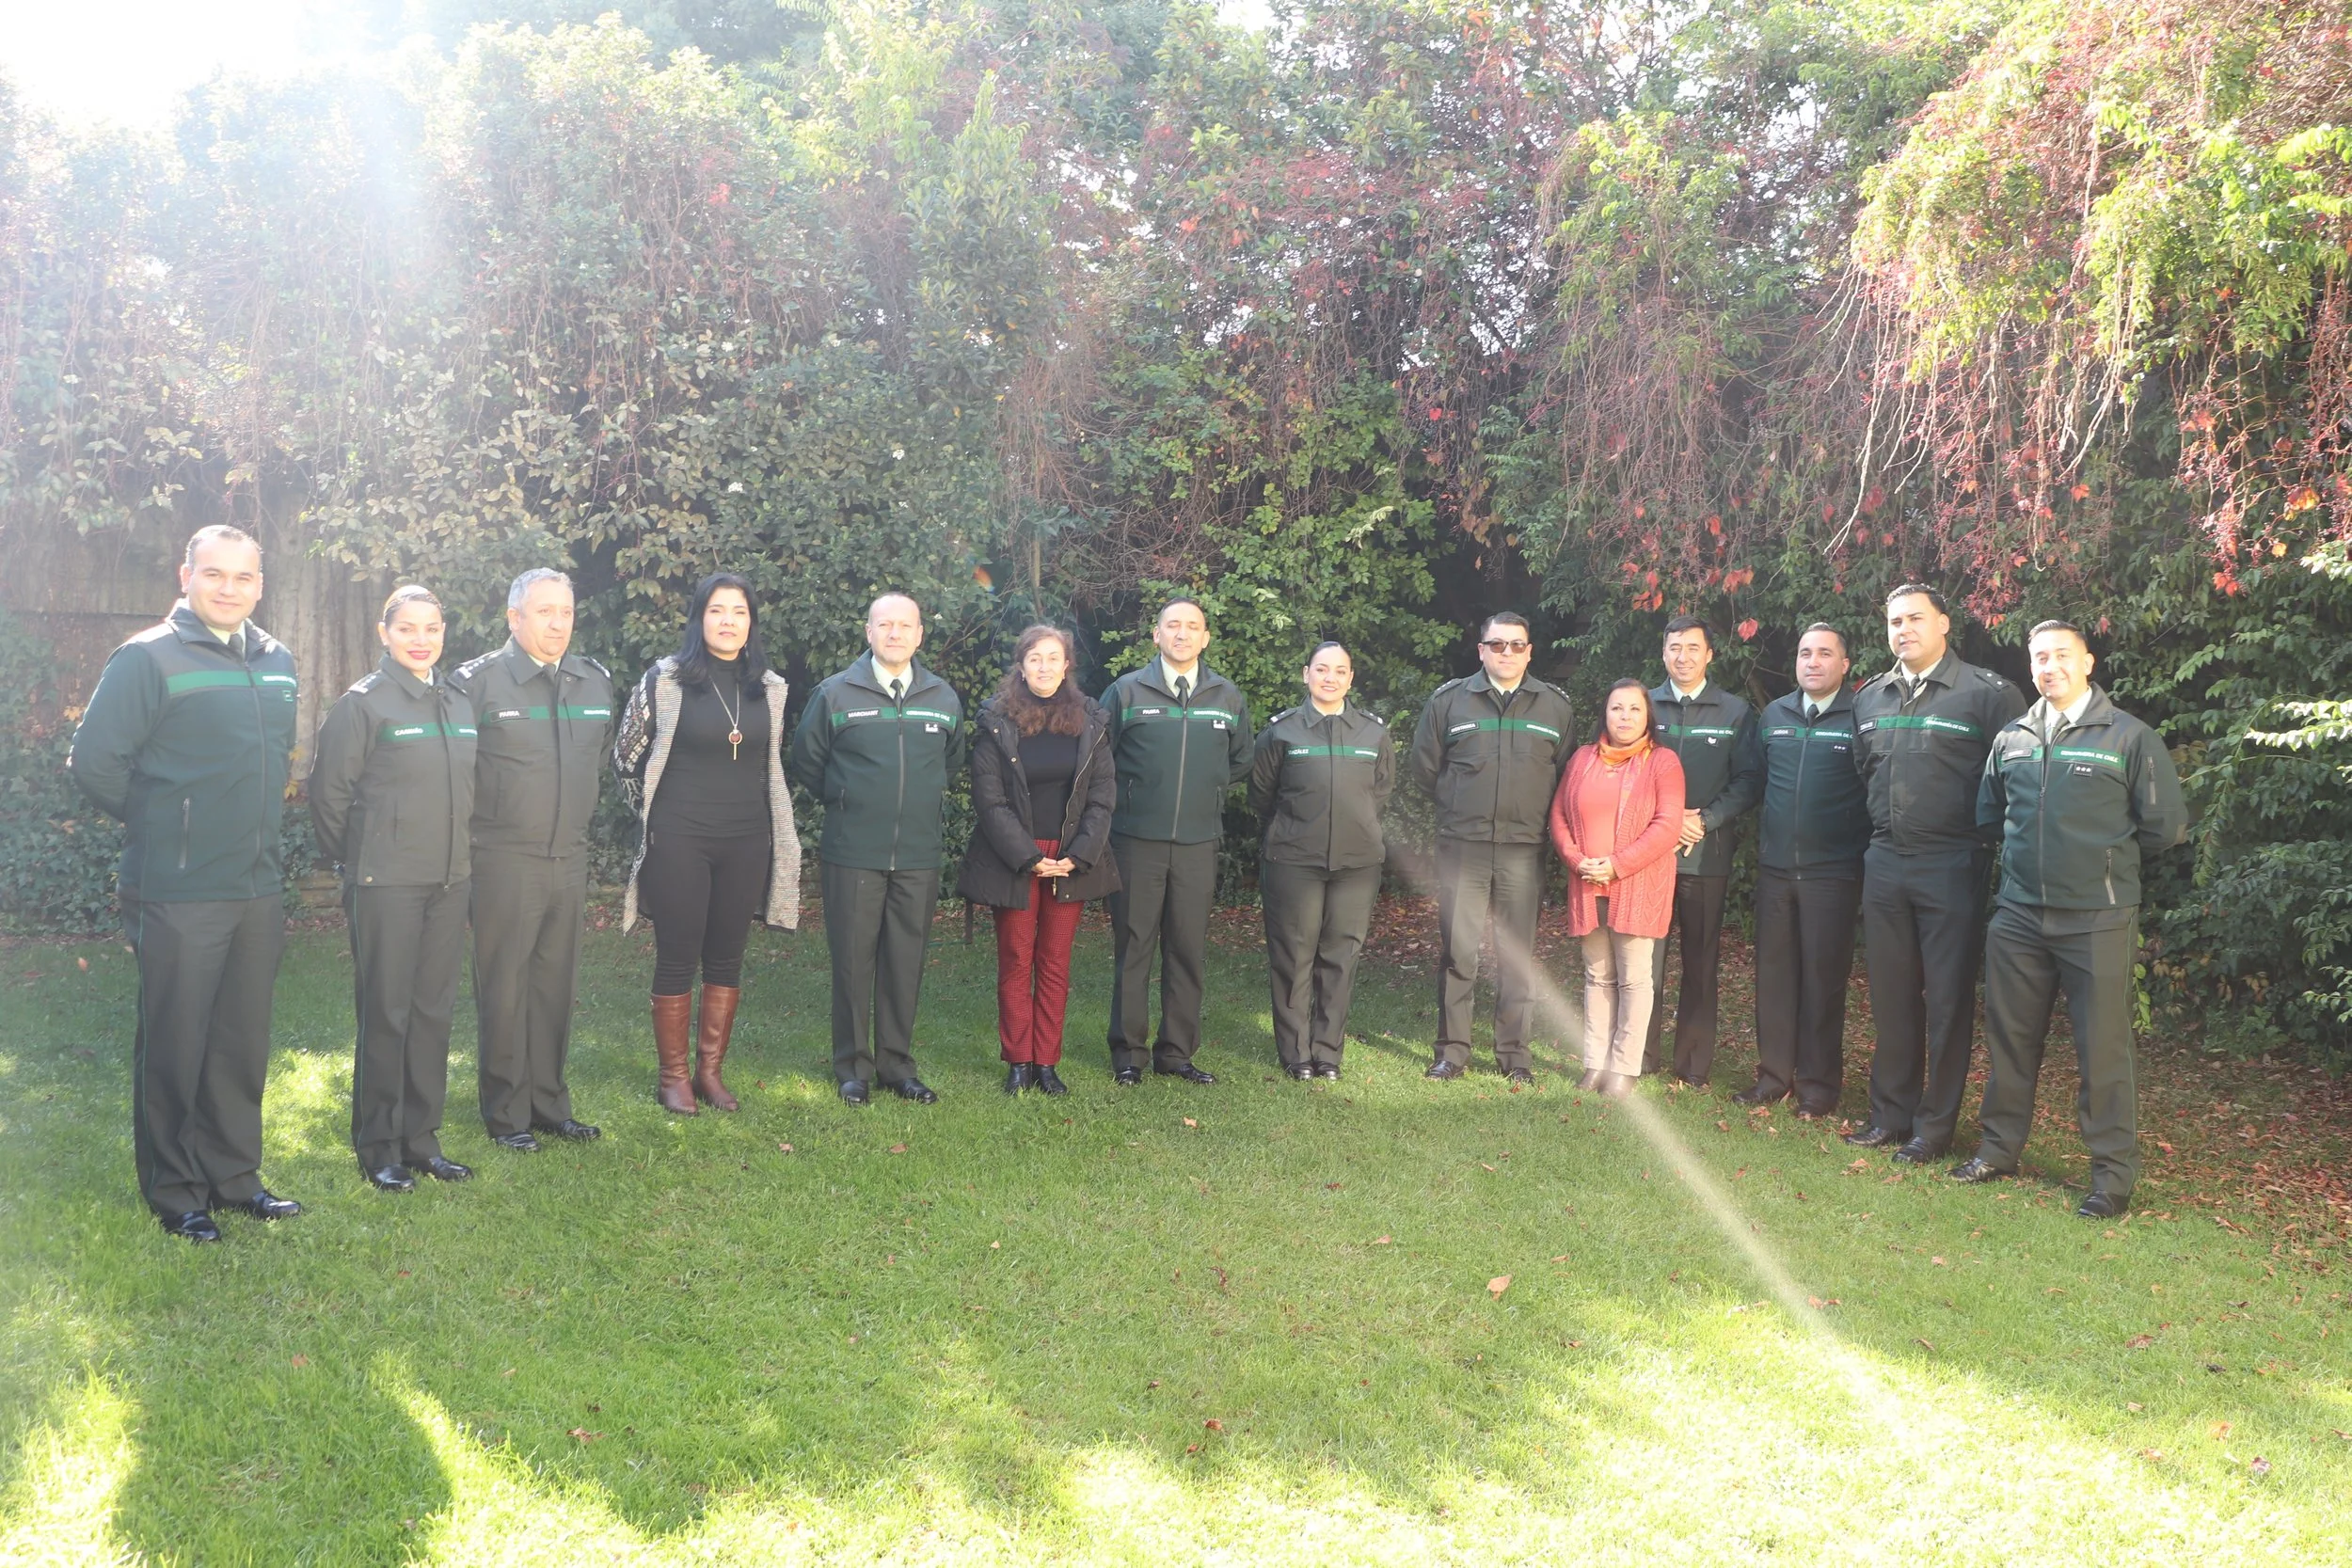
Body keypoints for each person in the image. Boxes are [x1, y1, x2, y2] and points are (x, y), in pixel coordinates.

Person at [67, 524, 304, 1242]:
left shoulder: (278, 659)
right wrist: (170, 827)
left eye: (243, 577)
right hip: (177, 888)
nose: (229, 588)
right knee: (175, 1042)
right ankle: (176, 1192)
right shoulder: (147, 658)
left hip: (256, 886)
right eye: (214, 574)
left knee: (240, 1040)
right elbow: (94, 763)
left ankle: (234, 1177)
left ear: (260, 584)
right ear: (186, 576)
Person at [1950, 621, 2186, 1217]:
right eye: (2038, 658)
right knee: (2009, 1040)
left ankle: (2110, 1178)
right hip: (2019, 916)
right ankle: (1998, 1150)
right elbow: (1990, 815)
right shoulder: (2013, 737)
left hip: (2098, 918)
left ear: (2088, 662)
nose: (2049, 666)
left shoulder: (2129, 737)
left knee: (2103, 1050)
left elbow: (2164, 830)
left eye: (2061, 655)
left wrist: (2098, 866)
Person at [1844, 583, 2028, 1164]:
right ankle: (1890, 1115)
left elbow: (2014, 779)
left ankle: (1935, 1127)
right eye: (1895, 621)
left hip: (1952, 862)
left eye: (1916, 619)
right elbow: (1862, 771)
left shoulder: (1987, 694)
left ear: (1944, 624)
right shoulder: (1870, 697)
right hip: (1884, 859)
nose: (1905, 630)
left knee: (1947, 1000)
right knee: (1892, 995)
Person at [309, 585, 478, 1190]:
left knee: (432, 1013)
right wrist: (363, 860)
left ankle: (421, 1139)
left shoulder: (457, 699)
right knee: (387, 1011)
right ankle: (379, 1145)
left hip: (449, 880)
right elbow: (328, 797)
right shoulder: (365, 704)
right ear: (385, 633)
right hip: (386, 884)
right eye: (408, 628)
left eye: (431, 628)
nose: (420, 639)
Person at [615, 573, 801, 1114]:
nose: (728, 621)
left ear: (751, 622)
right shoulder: (666, 679)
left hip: (746, 839)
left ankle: (711, 1074)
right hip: (679, 838)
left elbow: (770, 764)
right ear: (699, 618)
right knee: (677, 956)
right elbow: (627, 759)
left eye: (739, 612)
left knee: (727, 956)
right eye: (717, 610)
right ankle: (673, 1077)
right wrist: (655, 813)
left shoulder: (770, 687)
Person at [449, 569, 614, 1152]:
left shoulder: (592, 683)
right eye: (544, 612)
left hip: (568, 857)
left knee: (554, 986)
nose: (557, 624)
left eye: (565, 612)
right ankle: (506, 1112)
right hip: (502, 859)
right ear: (514, 619)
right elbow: (453, 776)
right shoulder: (478, 685)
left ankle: (550, 1103)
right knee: (505, 987)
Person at [791, 593, 965, 1104]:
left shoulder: (942, 697)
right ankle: (853, 1069)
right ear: (868, 633)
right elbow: (808, 763)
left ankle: (897, 1066)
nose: (894, 633)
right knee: (852, 963)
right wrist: (847, 801)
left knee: (904, 961)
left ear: (918, 635)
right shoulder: (835, 693)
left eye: (904, 625)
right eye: (883, 625)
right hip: (854, 852)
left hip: (917, 854)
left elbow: (950, 764)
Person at [1408, 611, 1578, 1084]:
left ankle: (1514, 1055)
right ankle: (1451, 1052)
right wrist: (1460, 808)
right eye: (1497, 645)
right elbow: (1425, 768)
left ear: (1530, 651)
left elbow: (1566, 776)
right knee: (1460, 952)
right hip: (1464, 847)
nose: (1507, 653)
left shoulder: (1554, 707)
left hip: (1524, 849)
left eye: (1516, 645)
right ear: (1480, 649)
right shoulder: (1449, 702)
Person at [956, 626, 1120, 1095]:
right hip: (1016, 859)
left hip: (1070, 860)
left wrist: (1079, 854)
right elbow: (990, 802)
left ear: (1067, 664)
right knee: (1015, 959)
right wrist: (1027, 857)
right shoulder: (997, 720)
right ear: (1021, 665)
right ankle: (1018, 1061)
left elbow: (1102, 797)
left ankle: (1047, 1062)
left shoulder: (1090, 720)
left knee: (1054, 963)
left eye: (1053, 658)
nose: (1044, 666)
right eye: (1035, 658)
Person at [1100, 597, 1252, 1086]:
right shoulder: (1125, 692)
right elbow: (1101, 760)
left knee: (1187, 949)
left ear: (1205, 638)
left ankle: (1177, 1054)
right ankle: (1128, 1054)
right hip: (1135, 842)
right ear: (1156, 635)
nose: (1182, 634)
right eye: (1173, 626)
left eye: (1192, 627)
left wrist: (1202, 795)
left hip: (1197, 843)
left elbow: (1240, 761)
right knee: (1135, 947)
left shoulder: (1226, 697)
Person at [1735, 623, 1870, 1118]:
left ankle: (1817, 1086)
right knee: (1774, 977)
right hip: (1775, 871)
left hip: (1832, 874)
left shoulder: (1861, 716)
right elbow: (1756, 782)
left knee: (1822, 981)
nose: (1813, 662)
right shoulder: (1774, 714)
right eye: (1805, 653)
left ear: (1845, 664)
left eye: (1825, 654)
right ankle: (1773, 1077)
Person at [1248, 641, 1394, 1082]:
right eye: (1321, 669)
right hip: (1294, 860)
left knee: (1340, 957)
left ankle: (1328, 1053)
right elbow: (1262, 796)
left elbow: (1380, 792)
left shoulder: (1373, 733)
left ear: (1351, 679)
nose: (1330, 677)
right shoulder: (1282, 732)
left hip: (1357, 863)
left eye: (1340, 671)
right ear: (1305, 674)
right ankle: (1297, 1055)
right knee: (1294, 957)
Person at [1549, 679, 1685, 1096]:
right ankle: (1595, 1063)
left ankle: (1624, 1068)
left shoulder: (1663, 762)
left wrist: (1617, 865)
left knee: (1634, 980)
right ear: (1604, 715)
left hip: (1638, 885)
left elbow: (1667, 825)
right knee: (1598, 977)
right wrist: (1576, 860)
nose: (1624, 717)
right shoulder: (1581, 759)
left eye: (1634, 710)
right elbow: (1558, 814)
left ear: (1648, 717)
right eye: (1616, 709)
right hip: (1588, 885)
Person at [1645, 616, 1762, 1087]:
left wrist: (1704, 820)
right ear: (1664, 653)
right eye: (1675, 648)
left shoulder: (1734, 712)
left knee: (1700, 963)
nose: (1683, 657)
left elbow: (1749, 781)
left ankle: (1692, 1064)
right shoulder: (1644, 705)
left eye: (1693, 648)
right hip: (1646, 857)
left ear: (1710, 655)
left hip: (1705, 855)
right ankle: (1639, 1054)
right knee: (1643, 963)